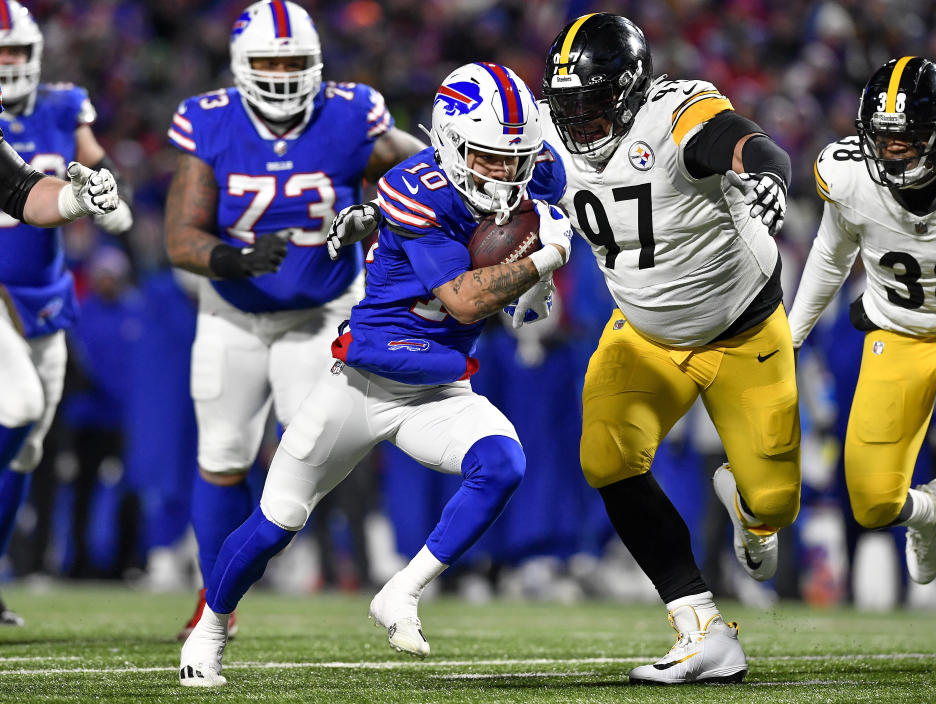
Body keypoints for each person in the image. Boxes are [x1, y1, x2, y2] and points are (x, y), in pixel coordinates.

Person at [328, 13, 800, 686]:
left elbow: (746, 144)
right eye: (568, 102)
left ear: (634, 90)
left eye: (595, 101)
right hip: (643, 332)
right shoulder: (541, 128)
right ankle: (702, 630)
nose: (578, 119)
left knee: (775, 500)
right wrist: (382, 214)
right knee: (606, 458)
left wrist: (768, 178)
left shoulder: (674, 114)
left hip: (743, 328)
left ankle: (752, 513)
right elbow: (456, 174)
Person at [177, 60, 572, 687]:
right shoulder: (414, 187)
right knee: (276, 521)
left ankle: (401, 593)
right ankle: (211, 627)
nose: (506, 172)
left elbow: (565, 166)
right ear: (446, 143)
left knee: (503, 462)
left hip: (440, 391)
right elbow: (465, 299)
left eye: (514, 157)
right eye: (488, 157)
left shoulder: (537, 170)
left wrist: (541, 270)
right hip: (361, 384)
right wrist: (545, 258)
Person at [163, 0, 427, 641]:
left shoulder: (349, 114)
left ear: (316, 64)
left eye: (293, 61)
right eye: (268, 62)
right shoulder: (212, 121)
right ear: (240, 67)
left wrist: (388, 213)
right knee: (223, 454)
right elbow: (179, 237)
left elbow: (428, 176)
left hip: (319, 313)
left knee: (304, 456)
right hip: (234, 312)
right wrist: (233, 257)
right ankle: (213, 602)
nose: (281, 75)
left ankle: (296, 555)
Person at [788, 56, 936, 669]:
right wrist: (791, 339)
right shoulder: (851, 179)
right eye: (882, 140)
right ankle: (929, 511)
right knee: (870, 502)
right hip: (898, 334)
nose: (892, 155)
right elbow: (830, 259)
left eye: (907, 140)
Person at [0, 0, 123, 625]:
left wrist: (83, 196)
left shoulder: (59, 107)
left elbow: (21, 192)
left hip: (41, 298)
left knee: (28, 442)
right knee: (17, 408)